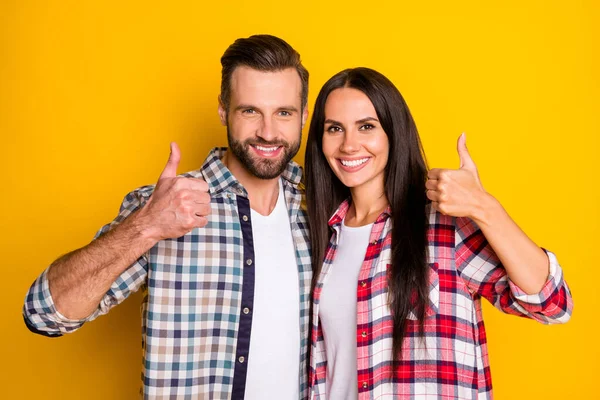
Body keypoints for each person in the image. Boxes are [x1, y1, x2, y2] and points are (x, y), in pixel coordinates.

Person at [23, 34, 312, 400]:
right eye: (249, 111)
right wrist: (146, 226)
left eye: (283, 112)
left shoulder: (320, 208)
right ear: (224, 110)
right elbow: (44, 314)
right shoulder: (164, 206)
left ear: (304, 115)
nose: (268, 132)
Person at [304, 67, 573, 399]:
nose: (349, 144)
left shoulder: (442, 224)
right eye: (334, 129)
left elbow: (551, 303)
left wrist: (484, 207)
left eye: (366, 127)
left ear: (393, 132)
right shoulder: (323, 237)